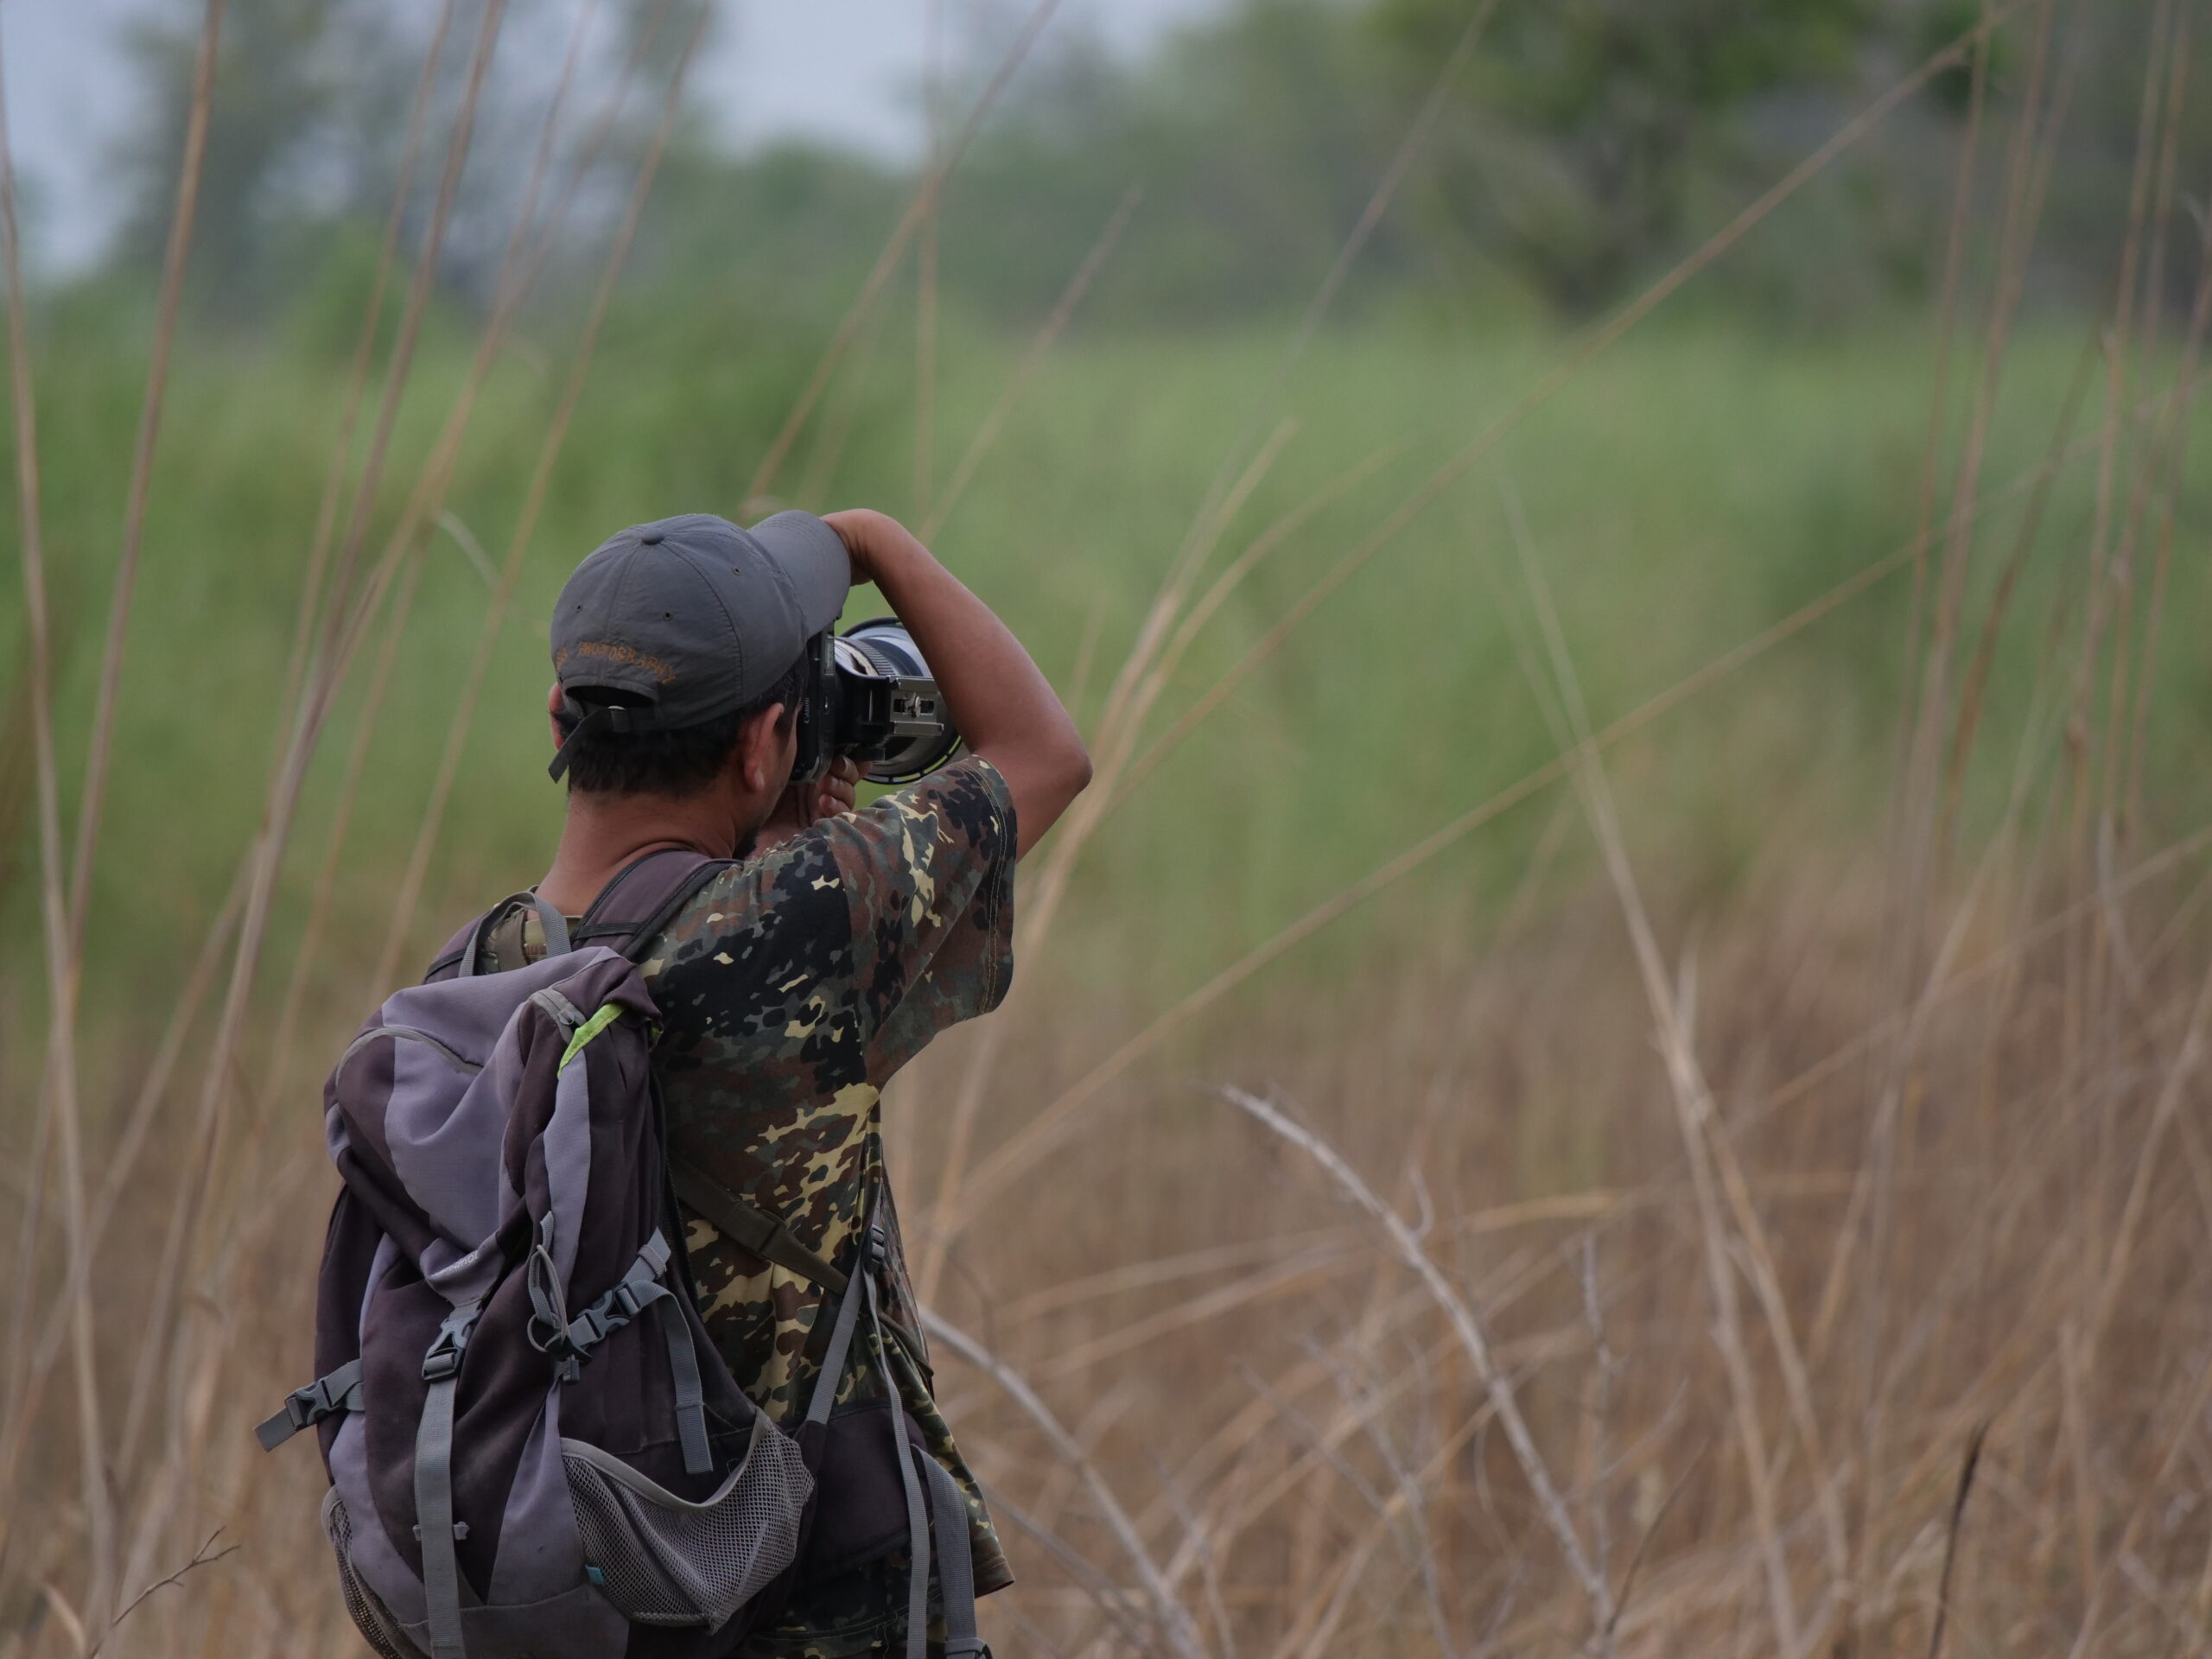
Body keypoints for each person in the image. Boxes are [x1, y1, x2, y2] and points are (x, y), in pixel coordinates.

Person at [464, 505, 1090, 1656]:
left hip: (576, 1604)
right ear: (764, 746)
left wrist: (771, 840)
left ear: (561, 717)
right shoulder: (794, 925)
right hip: (802, 1608)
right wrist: (872, 543)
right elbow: (1043, 754)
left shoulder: (478, 970)